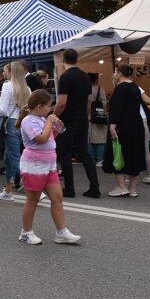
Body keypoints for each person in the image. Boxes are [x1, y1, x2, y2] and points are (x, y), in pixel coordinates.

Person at [16, 89, 81, 245]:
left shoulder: (41, 119)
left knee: (57, 197)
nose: (50, 110)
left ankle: (61, 232)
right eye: (48, 106)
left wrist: (55, 129)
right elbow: (40, 139)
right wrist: (50, 123)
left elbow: (49, 138)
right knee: (33, 199)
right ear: (39, 106)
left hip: (49, 165)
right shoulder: (28, 121)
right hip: (34, 166)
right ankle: (26, 232)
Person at [54, 49, 101, 198]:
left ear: (63, 59)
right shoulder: (85, 77)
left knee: (64, 153)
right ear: (76, 59)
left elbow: (61, 102)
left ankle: (69, 188)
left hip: (68, 121)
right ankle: (94, 187)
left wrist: (53, 116)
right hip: (82, 120)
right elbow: (89, 101)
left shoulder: (65, 77)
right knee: (84, 152)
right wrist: (85, 115)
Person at [102, 65, 147, 197]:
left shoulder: (120, 87)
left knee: (118, 153)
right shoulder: (135, 87)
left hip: (123, 125)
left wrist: (112, 125)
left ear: (120, 73)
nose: (114, 74)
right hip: (136, 124)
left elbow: (117, 108)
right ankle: (132, 188)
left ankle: (122, 186)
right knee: (134, 155)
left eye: (115, 72)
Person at [0, 60, 31, 201]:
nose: (4, 73)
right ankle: (8, 189)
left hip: (10, 123)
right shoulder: (26, 88)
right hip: (21, 123)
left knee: (14, 157)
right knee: (9, 157)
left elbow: (3, 110)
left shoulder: (7, 86)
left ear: (11, 72)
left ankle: (35, 189)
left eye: (5, 71)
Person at [87, 73, 108, 166]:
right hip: (99, 116)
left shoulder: (85, 89)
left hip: (88, 116)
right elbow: (104, 103)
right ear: (95, 80)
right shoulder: (100, 89)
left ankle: (91, 159)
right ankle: (100, 159)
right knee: (101, 139)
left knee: (89, 139)